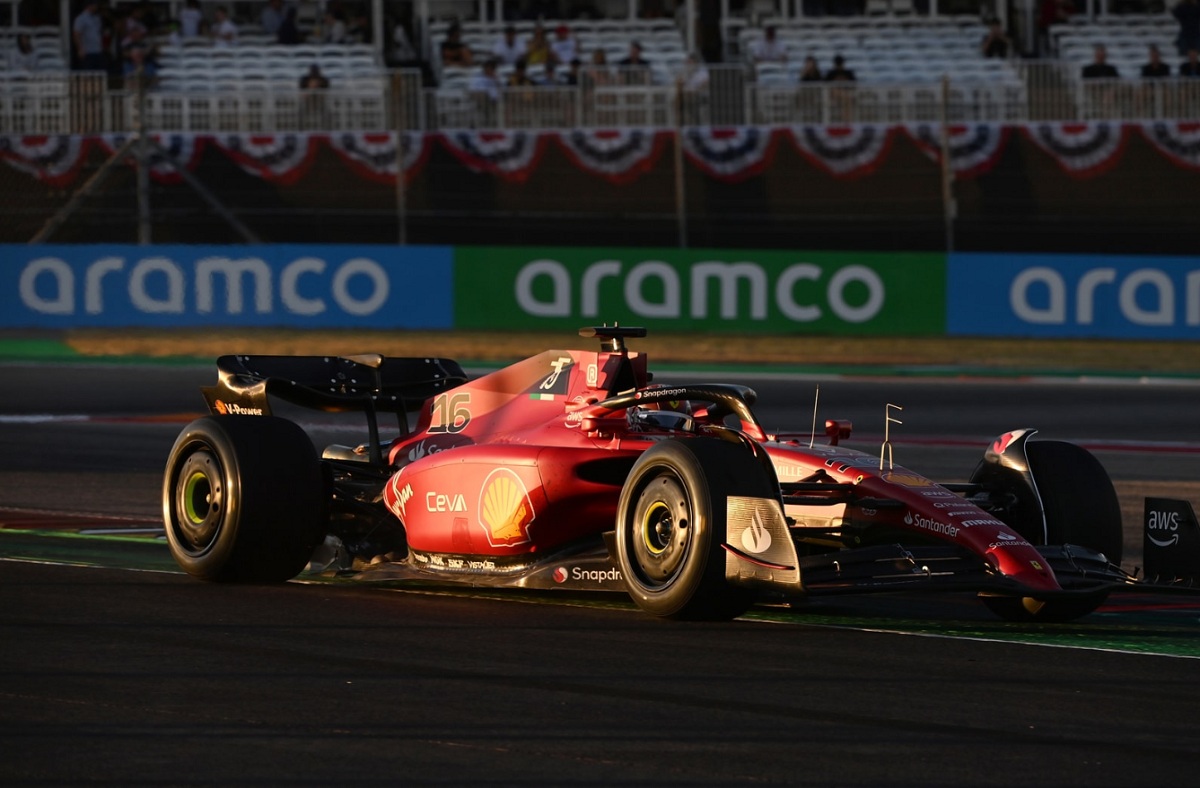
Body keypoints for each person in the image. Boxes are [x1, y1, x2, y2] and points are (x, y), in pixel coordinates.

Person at [73, 1, 108, 71]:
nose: (96, 7)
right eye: (95, 5)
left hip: (98, 50)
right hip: (87, 52)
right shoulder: (81, 18)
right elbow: (76, 34)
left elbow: (99, 32)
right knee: (88, 74)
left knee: (99, 74)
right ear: (89, 5)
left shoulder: (97, 18)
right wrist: (80, 49)